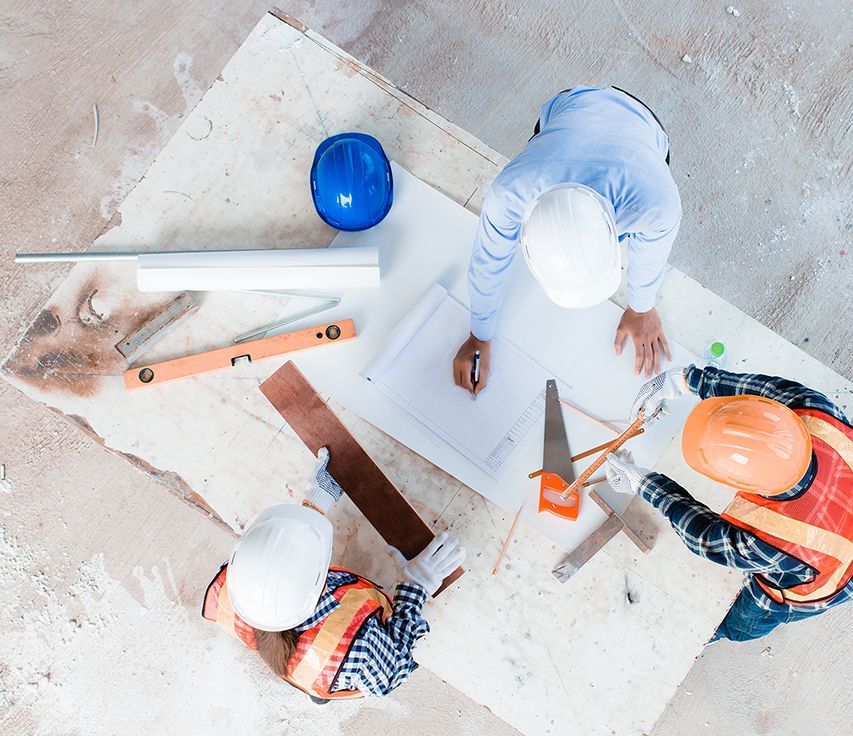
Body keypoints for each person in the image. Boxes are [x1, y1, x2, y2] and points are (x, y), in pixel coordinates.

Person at [603, 366, 853, 642]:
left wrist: (643, 484)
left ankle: (718, 633)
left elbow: (704, 536)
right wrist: (682, 381)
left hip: (832, 582)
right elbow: (760, 392)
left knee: (741, 623)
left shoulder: (772, 540)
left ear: (748, 485)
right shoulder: (814, 411)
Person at [452, 85, 682, 394]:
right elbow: (488, 260)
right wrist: (479, 335)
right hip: (570, 105)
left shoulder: (654, 201)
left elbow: (650, 254)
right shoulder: (510, 192)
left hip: (643, 125)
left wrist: (642, 309)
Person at [202, 447, 465, 701]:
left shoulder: (247, 579)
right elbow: (394, 669)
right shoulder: (361, 653)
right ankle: (322, 691)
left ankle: (317, 689)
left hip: (299, 659)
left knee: (315, 681)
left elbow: (284, 551)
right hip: (339, 665)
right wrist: (415, 587)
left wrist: (320, 495)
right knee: (334, 681)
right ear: (318, 585)